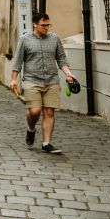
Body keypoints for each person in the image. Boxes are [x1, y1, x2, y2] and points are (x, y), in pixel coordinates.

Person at [10, 12, 76, 154]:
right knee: (35, 111)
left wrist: (68, 73)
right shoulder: (25, 39)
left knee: (49, 111)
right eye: (43, 25)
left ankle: (46, 143)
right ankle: (31, 129)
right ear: (35, 24)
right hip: (31, 80)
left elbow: (61, 59)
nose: (46, 28)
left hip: (52, 81)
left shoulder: (55, 39)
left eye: (48, 25)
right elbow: (18, 61)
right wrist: (13, 79)